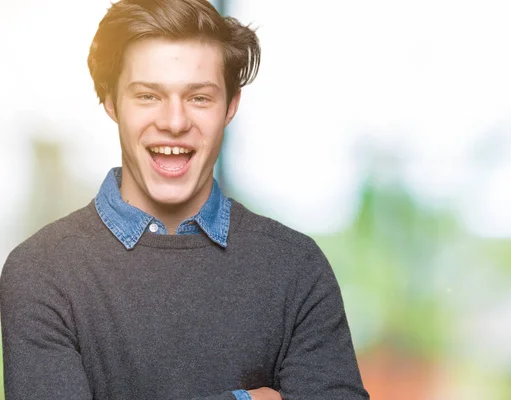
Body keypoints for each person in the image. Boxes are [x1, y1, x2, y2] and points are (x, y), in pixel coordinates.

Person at [0, 1, 369, 399]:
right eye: (147, 96)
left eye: (198, 98)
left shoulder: (297, 269)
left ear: (230, 106)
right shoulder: (41, 272)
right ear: (110, 102)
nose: (174, 122)